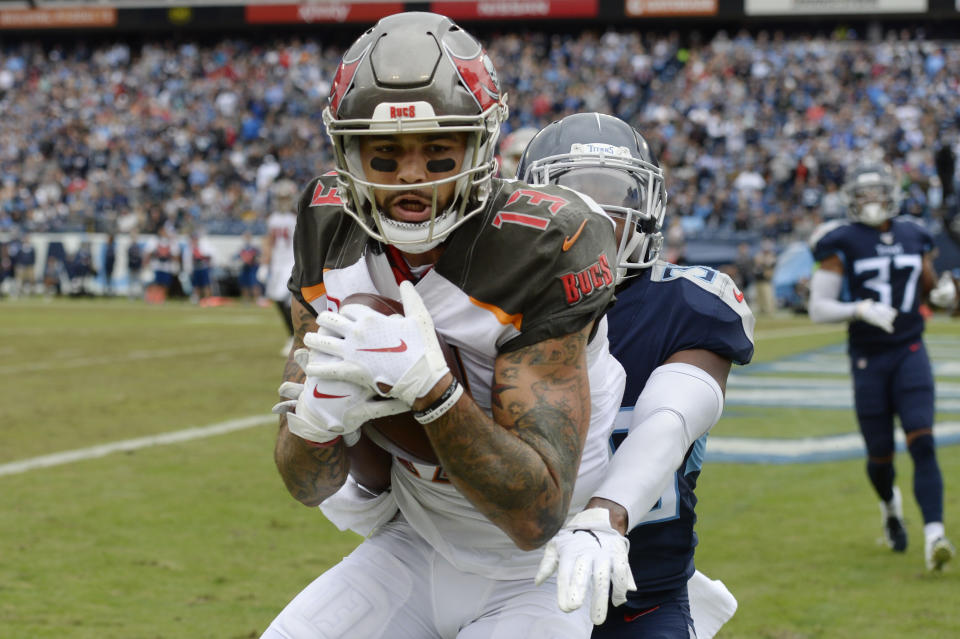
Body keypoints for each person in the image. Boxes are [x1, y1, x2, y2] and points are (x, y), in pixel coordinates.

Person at [262, 12, 625, 638]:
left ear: (480, 145)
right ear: (346, 152)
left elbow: (534, 515)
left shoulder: (545, 242)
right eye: (384, 154)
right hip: (413, 547)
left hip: (538, 572)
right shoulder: (327, 220)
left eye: (438, 153)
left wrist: (433, 393)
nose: (410, 177)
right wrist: (316, 420)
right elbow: (306, 485)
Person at [518, 113, 755, 636]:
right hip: (510, 592)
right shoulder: (491, 306)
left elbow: (668, 417)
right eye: (574, 194)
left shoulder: (686, 302)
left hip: (644, 599)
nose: (597, 213)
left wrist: (608, 514)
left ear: (647, 209)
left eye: (616, 194)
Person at [808, 161, 956, 571]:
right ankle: (891, 509)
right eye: (864, 194)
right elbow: (818, 308)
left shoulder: (914, 233)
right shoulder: (840, 241)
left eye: (878, 193)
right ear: (852, 200)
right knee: (880, 457)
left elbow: (927, 284)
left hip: (910, 350)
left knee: (923, 441)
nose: (872, 201)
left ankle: (934, 536)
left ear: (891, 194)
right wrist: (859, 309)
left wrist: (941, 294)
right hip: (868, 358)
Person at [260, 178, 299, 355]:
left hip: (291, 262)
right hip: (277, 263)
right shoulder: (273, 219)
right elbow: (269, 242)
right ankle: (292, 335)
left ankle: (295, 336)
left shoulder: (295, 218)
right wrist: (264, 264)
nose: (283, 201)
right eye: (281, 198)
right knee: (276, 298)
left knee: (287, 299)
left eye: (286, 198)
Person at [187, 229, 215, 302]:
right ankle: (197, 299)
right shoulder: (190, 248)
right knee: (196, 285)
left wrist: (201, 257)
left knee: (206, 284)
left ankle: (207, 299)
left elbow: (208, 256)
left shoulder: (203, 246)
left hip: (203, 267)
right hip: (195, 268)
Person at [236, 231, 260, 302]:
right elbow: (237, 256)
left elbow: (259, 257)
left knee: (254, 284)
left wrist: (252, 259)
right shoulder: (242, 247)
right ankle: (246, 299)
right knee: (244, 284)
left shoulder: (254, 247)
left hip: (253, 267)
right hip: (244, 267)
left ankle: (256, 299)